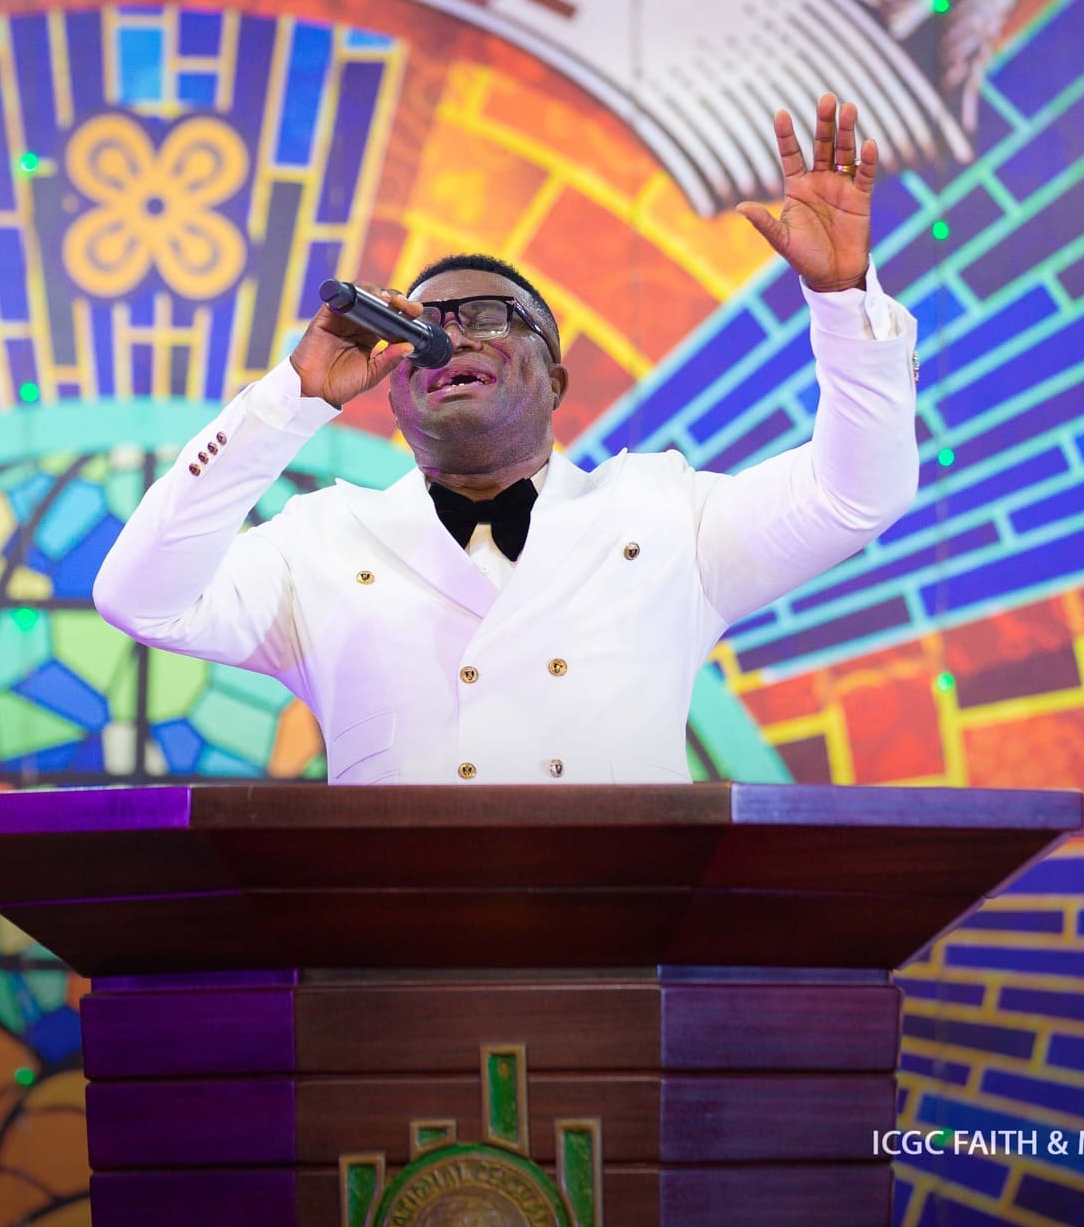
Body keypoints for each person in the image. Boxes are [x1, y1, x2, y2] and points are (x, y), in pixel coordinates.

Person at [93, 95, 919, 784]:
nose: (450, 337)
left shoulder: (668, 516)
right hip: (397, 932)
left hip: (617, 926)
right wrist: (294, 397)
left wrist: (842, 297)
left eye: (489, 317)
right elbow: (140, 598)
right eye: (422, 327)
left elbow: (855, 494)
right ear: (396, 392)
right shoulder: (321, 541)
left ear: (554, 380)